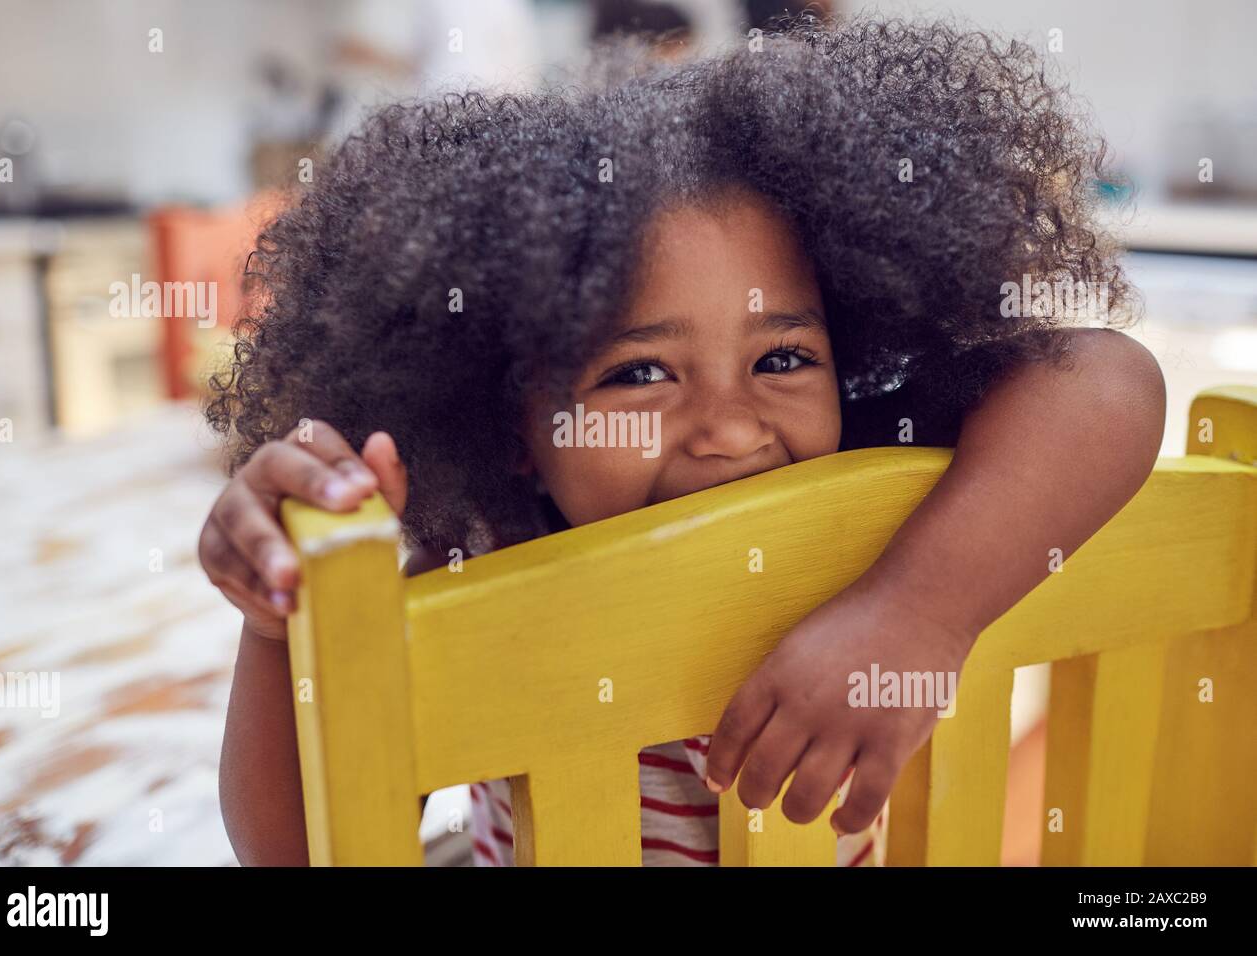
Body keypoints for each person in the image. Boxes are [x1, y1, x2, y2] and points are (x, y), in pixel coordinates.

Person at [204, 17, 1165, 866]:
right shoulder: (472, 591)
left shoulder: (877, 510)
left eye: (784, 357)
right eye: (640, 374)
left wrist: (918, 612)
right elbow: (299, 852)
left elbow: (1108, 379)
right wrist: (279, 619)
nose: (734, 427)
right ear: (513, 433)